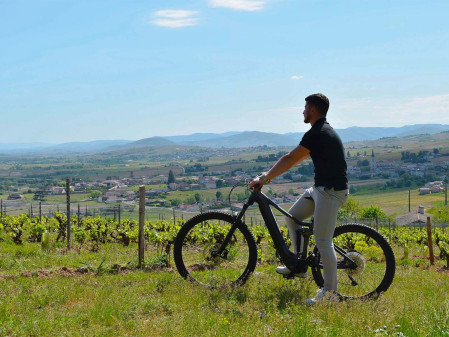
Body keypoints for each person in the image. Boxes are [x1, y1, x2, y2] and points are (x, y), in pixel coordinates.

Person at [248, 93, 348, 305]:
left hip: (330, 192)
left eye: (305, 108)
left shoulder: (318, 132)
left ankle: (330, 295)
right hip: (320, 189)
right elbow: (295, 159)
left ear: (312, 110)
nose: (302, 111)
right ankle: (299, 264)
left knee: (323, 241)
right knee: (293, 217)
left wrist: (265, 177)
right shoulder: (320, 131)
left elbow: (291, 158)